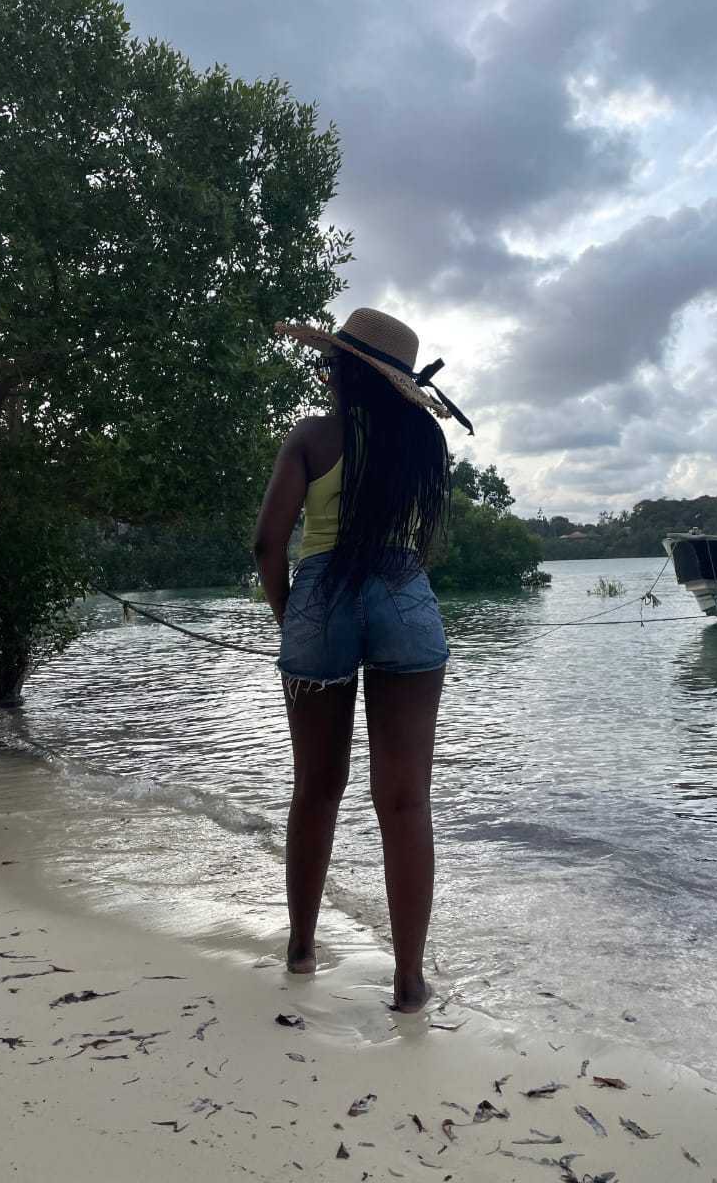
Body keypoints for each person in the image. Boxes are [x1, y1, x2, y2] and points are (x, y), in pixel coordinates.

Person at [253, 307, 472, 1013]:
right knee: (406, 800)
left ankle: (301, 949)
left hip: (321, 594)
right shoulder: (423, 442)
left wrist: (294, 619)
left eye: (331, 365)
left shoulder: (311, 437)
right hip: (405, 591)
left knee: (317, 787)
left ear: (347, 371)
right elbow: (422, 538)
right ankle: (408, 983)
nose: (325, 374)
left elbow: (267, 543)